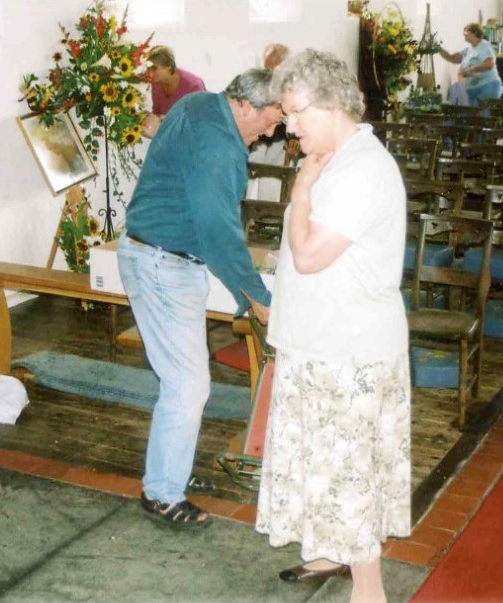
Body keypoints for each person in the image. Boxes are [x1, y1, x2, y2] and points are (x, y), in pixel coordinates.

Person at [252, 49, 411, 603]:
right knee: (321, 462)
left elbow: (312, 253)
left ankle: (370, 590)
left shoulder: (361, 169)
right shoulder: (335, 159)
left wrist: (297, 194)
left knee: (349, 473)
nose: (288, 128)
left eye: (296, 114)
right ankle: (326, 552)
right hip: (322, 341)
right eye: (286, 115)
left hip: (349, 352)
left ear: (333, 104)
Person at [118, 68, 281, 528]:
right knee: (188, 384)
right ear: (246, 105)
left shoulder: (197, 104)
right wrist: (256, 296)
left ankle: (173, 471)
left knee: (183, 379)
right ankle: (162, 493)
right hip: (162, 263)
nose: (273, 131)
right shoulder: (222, 147)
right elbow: (218, 232)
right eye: (271, 119)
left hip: (155, 254)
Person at [247, 43, 301, 201]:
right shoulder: (257, 85)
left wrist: (294, 142)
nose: (269, 73)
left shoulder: (294, 88)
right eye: (266, 68)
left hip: (282, 143)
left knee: (271, 184)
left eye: (273, 69)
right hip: (257, 141)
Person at [141, 45, 206, 138]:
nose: (150, 73)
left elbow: (199, 120)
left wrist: (167, 119)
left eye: (154, 68)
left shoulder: (193, 85)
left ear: (168, 66)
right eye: (148, 69)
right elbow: (157, 111)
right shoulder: (156, 83)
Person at [439, 23, 503, 106]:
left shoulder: (484, 46)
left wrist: (470, 70)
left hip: (487, 86)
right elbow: (452, 58)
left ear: (474, 33)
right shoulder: (469, 50)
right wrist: (437, 48)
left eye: (466, 32)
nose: (463, 34)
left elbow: (489, 64)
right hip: (473, 89)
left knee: (484, 115)